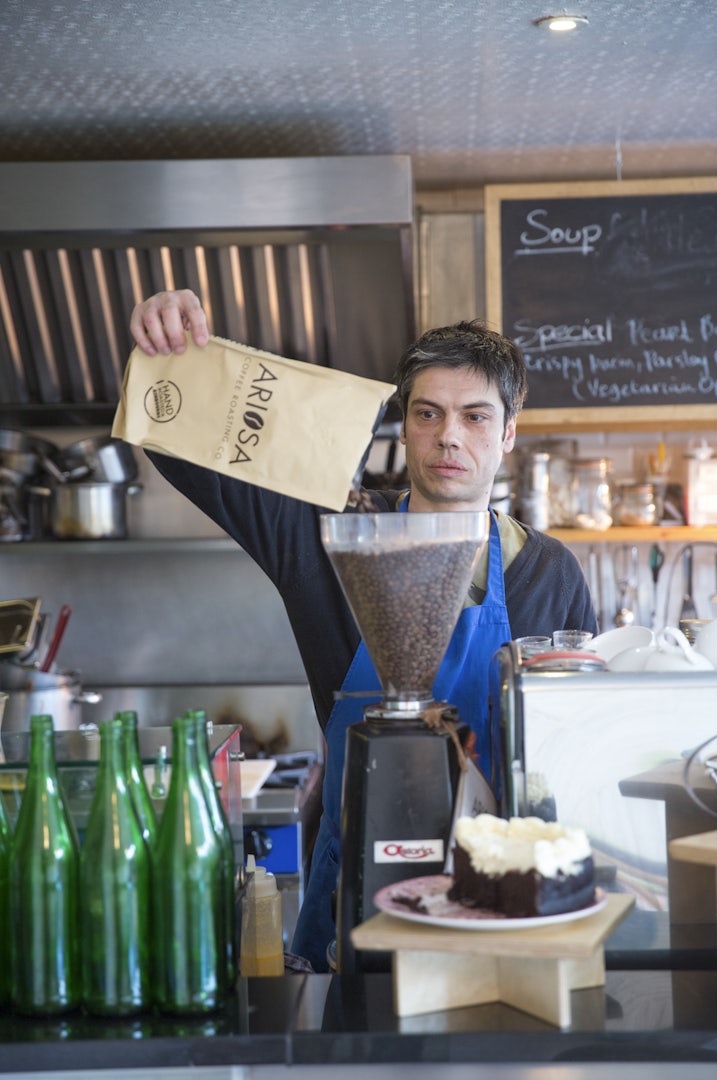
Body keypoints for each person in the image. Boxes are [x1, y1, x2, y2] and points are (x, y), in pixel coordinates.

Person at [129, 290, 597, 972]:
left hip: (507, 896)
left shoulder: (549, 572)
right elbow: (186, 446)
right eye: (427, 413)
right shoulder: (333, 538)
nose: (449, 437)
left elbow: (578, 751)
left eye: (474, 417)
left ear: (507, 435)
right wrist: (164, 355)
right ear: (403, 426)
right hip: (359, 891)